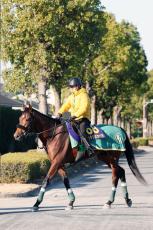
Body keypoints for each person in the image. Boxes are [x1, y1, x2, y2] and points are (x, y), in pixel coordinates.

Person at [58, 77, 94, 162]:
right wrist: (60, 112)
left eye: (71, 87)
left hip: (82, 118)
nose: (70, 89)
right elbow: (66, 105)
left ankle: (86, 150)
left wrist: (74, 116)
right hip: (72, 117)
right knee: (60, 127)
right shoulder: (72, 96)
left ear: (77, 86)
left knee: (82, 133)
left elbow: (84, 108)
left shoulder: (84, 95)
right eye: (70, 87)